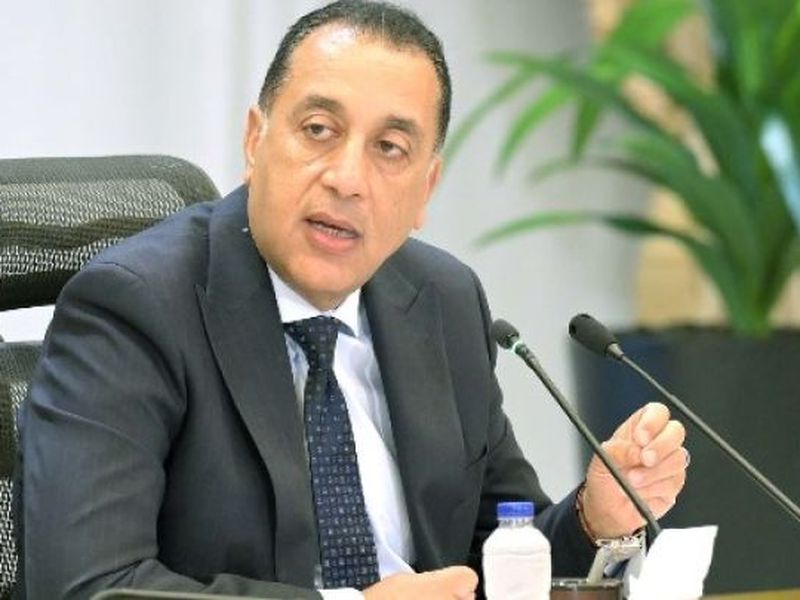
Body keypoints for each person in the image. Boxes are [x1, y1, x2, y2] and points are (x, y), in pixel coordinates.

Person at [19, 1, 688, 598]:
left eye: (389, 148)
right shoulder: (135, 308)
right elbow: (90, 587)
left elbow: (500, 553)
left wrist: (593, 519)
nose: (347, 178)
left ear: (425, 190)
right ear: (255, 140)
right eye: (318, 130)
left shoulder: (443, 303)